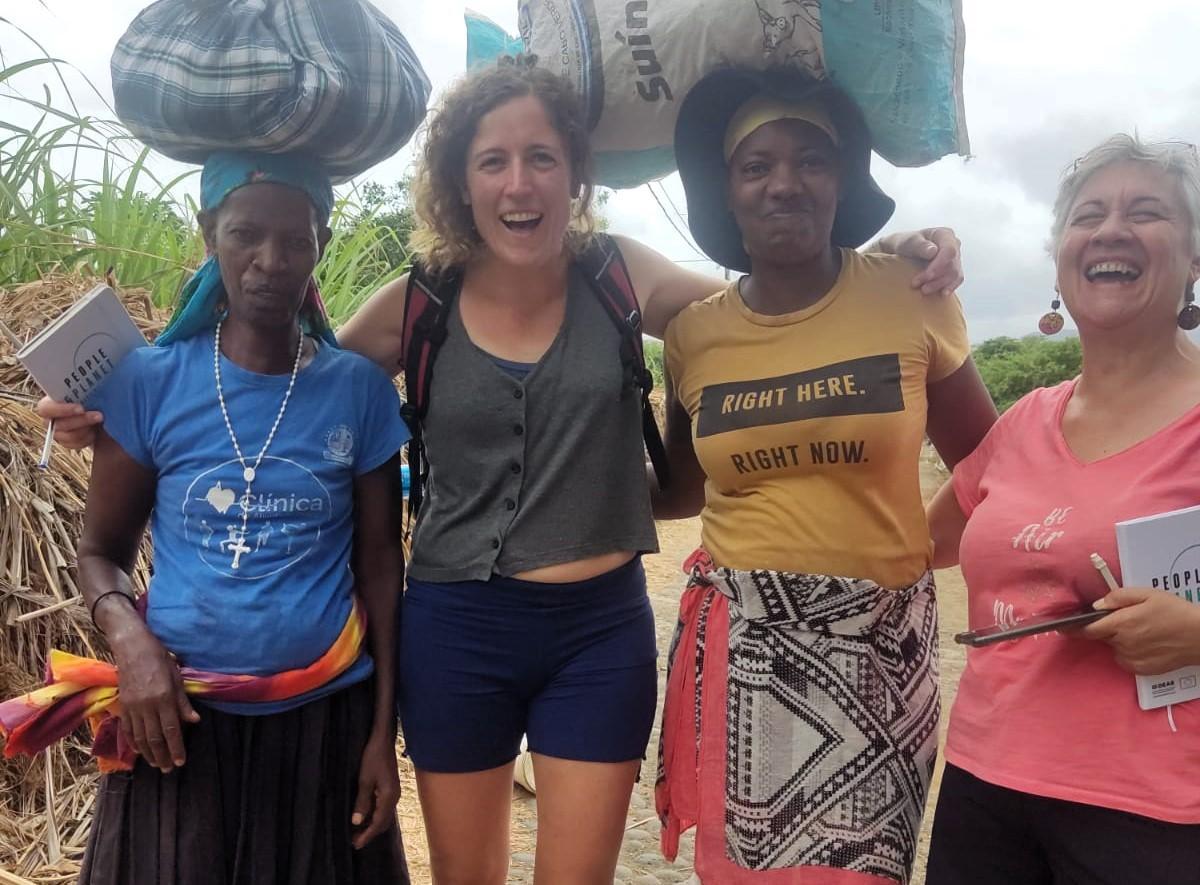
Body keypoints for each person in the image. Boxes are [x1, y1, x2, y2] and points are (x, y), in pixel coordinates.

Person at [34, 58, 965, 885]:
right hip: (457, 631)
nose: (520, 183)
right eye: (493, 160)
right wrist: (118, 404)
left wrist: (877, 260)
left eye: (542, 157)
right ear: (461, 182)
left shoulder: (622, 277)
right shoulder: (417, 304)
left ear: (576, 174)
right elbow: (279, 382)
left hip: (597, 636)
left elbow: (767, 301)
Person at [3, 153, 412, 884]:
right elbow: (100, 551)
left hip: (323, 728)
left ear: (321, 241)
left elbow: (382, 564)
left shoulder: (358, 391)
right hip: (177, 725)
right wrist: (130, 642)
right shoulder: (150, 383)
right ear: (208, 233)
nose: (270, 261)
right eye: (245, 234)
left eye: (296, 239)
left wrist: (383, 734)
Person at [652, 67, 998, 885]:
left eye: (811, 159)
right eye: (756, 165)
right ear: (727, 193)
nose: (784, 183)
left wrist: (911, 558)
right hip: (745, 655)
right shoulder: (695, 336)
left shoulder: (908, 293)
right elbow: (678, 488)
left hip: (878, 656)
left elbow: (993, 468)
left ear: (843, 181)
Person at [923, 135, 1200, 885]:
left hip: (1157, 814)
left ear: (1195, 258)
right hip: (985, 787)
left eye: (1146, 212)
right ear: (1060, 258)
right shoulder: (1023, 423)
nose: (1111, 229)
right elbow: (915, 544)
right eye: (1088, 216)